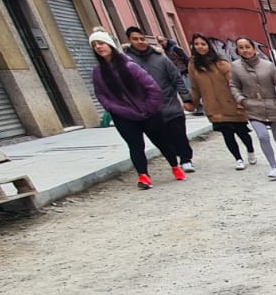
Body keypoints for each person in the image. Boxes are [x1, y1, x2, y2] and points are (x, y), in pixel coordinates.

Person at [88, 28, 174, 189]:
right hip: (123, 116)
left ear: (109, 45)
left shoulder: (129, 66)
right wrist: (113, 108)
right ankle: (143, 176)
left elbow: (152, 88)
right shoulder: (98, 72)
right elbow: (100, 94)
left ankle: (174, 165)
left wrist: (149, 107)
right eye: (94, 45)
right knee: (135, 145)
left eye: (101, 43)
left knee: (161, 142)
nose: (98, 47)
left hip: (147, 112)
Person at [122, 26, 195, 172]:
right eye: (135, 39)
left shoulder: (160, 58)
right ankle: (175, 157)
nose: (140, 42)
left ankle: (186, 159)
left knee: (179, 134)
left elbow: (176, 79)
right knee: (165, 139)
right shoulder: (126, 61)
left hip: (170, 104)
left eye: (142, 38)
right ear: (129, 41)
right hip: (149, 109)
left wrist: (186, 99)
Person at [185, 34, 255, 171]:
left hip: (231, 103)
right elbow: (195, 87)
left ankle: (250, 151)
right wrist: (192, 103)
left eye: (203, 44)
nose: (200, 47)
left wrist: (240, 100)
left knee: (242, 132)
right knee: (227, 134)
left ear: (208, 46)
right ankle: (238, 159)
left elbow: (234, 82)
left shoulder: (221, 62)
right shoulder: (193, 65)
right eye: (197, 44)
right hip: (213, 105)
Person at [228, 37, 276, 179]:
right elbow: (233, 85)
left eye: (247, 46)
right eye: (241, 47)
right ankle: (273, 167)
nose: (245, 50)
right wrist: (241, 100)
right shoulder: (235, 67)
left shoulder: (268, 65)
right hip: (252, 107)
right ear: (237, 50)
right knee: (263, 136)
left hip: (273, 106)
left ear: (253, 48)